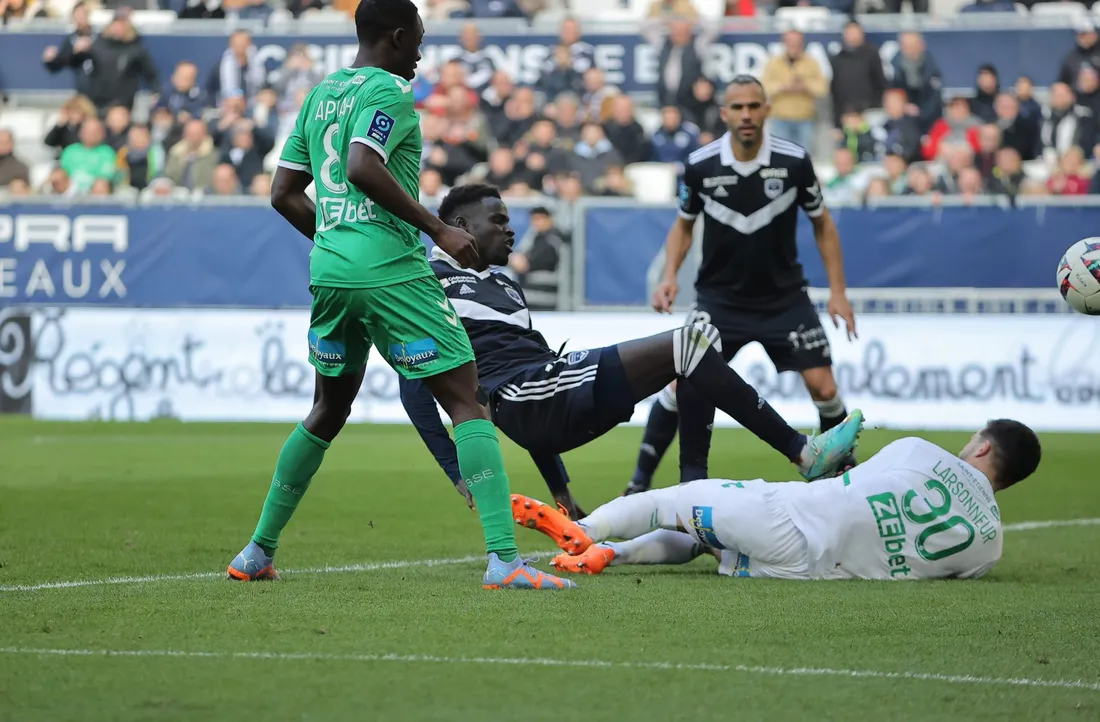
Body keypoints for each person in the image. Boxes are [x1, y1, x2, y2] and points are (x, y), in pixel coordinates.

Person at [226, 0, 576, 592]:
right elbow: (364, 166)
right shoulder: (388, 91)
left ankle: (257, 551)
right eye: (417, 39)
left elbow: (284, 192)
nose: (420, 52)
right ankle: (504, 561)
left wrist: (339, 242)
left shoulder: (320, 94)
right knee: (467, 400)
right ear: (394, 36)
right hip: (391, 268)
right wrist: (438, 228)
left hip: (330, 272)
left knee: (327, 410)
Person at [398, 184, 864, 519]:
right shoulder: (428, 283)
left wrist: (560, 492)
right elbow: (413, 383)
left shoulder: (504, 285)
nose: (510, 230)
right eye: (498, 221)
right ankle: (802, 453)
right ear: (459, 226)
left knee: (694, 356)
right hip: (521, 398)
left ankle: (692, 494)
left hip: (544, 395)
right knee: (687, 344)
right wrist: (456, 471)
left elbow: (539, 381)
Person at [625, 74, 858, 497]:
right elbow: (683, 226)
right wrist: (669, 277)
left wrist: (838, 291)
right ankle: (638, 482)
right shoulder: (700, 165)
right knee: (679, 386)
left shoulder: (794, 162)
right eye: (738, 107)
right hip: (719, 299)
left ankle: (845, 480)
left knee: (823, 386)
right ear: (724, 113)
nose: (747, 115)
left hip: (784, 297)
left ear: (767, 109)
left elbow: (823, 225)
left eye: (754, 106)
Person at [512, 420, 1041, 581]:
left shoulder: (921, 451)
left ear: (983, 446)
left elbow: (851, 485)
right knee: (704, 543)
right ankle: (613, 554)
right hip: (806, 573)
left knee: (677, 499)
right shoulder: (989, 548)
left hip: (789, 517)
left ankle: (584, 528)